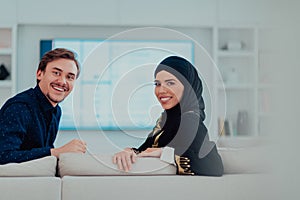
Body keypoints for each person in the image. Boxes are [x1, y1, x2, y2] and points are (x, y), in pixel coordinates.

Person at [113, 56, 223, 176]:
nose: (161, 90)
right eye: (157, 84)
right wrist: (129, 152)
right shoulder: (166, 120)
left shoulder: (189, 120)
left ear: (188, 87)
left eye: (170, 83)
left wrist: (164, 153)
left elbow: (213, 167)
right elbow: (146, 150)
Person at [0, 48, 87, 164]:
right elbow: (4, 156)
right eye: (56, 73)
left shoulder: (56, 111)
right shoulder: (19, 107)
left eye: (70, 77)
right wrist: (56, 152)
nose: (62, 82)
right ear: (39, 74)